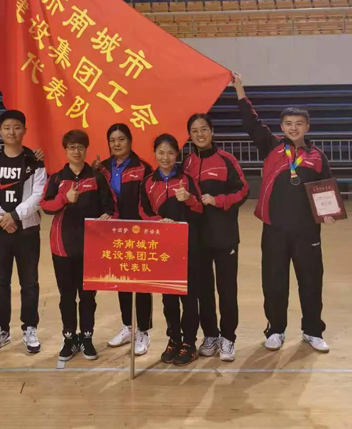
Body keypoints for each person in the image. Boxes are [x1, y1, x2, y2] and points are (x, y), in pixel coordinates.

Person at [232, 73, 334, 353]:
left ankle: (312, 330)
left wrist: (328, 212)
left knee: (310, 282)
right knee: (274, 282)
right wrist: (240, 91)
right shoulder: (272, 147)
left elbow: (325, 189)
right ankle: (275, 329)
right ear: (281, 127)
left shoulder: (317, 157)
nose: (293, 128)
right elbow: (251, 123)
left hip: (307, 232)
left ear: (307, 126)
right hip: (274, 229)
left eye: (299, 123)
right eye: (288, 123)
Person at [40, 129, 117, 362]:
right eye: (72, 147)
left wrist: (108, 216)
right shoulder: (56, 178)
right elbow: (45, 205)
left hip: (90, 247)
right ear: (66, 150)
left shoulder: (96, 177)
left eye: (80, 147)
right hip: (62, 246)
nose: (76, 151)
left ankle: (86, 337)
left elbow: (110, 206)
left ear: (86, 150)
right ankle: (69, 338)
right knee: (66, 296)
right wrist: (65, 198)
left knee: (87, 297)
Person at [0, 109, 47, 354]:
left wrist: (15, 216)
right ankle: (1, 329)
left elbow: (38, 195)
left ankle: (30, 328)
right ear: (0, 131)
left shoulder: (34, 161)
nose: (12, 132)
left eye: (17, 127)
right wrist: (2, 218)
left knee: (29, 283)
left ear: (25, 130)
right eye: (7, 127)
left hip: (26, 232)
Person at [183, 113, 249, 362]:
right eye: (194, 131)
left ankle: (228, 337)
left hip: (225, 236)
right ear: (189, 136)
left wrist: (218, 200)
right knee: (204, 290)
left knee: (227, 289)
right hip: (198, 238)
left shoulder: (226, 159)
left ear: (212, 131)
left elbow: (243, 190)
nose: (200, 134)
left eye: (204, 129)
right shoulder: (187, 163)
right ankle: (210, 334)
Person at [139, 133, 203, 366]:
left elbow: (200, 209)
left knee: (188, 297)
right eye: (161, 152)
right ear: (154, 154)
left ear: (177, 154)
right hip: (163, 248)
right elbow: (143, 212)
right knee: (168, 297)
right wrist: (159, 222)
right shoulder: (148, 182)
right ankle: (174, 339)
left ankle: (189, 342)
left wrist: (188, 199)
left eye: (170, 153)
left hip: (188, 246)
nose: (165, 157)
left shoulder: (186, 179)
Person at [94, 124, 153, 356]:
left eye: (121, 139)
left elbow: (147, 202)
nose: (116, 144)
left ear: (130, 141)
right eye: (112, 140)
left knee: (142, 284)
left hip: (138, 233)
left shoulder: (143, 168)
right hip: (114, 233)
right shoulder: (102, 168)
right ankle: (128, 326)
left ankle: (144, 331)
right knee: (122, 281)